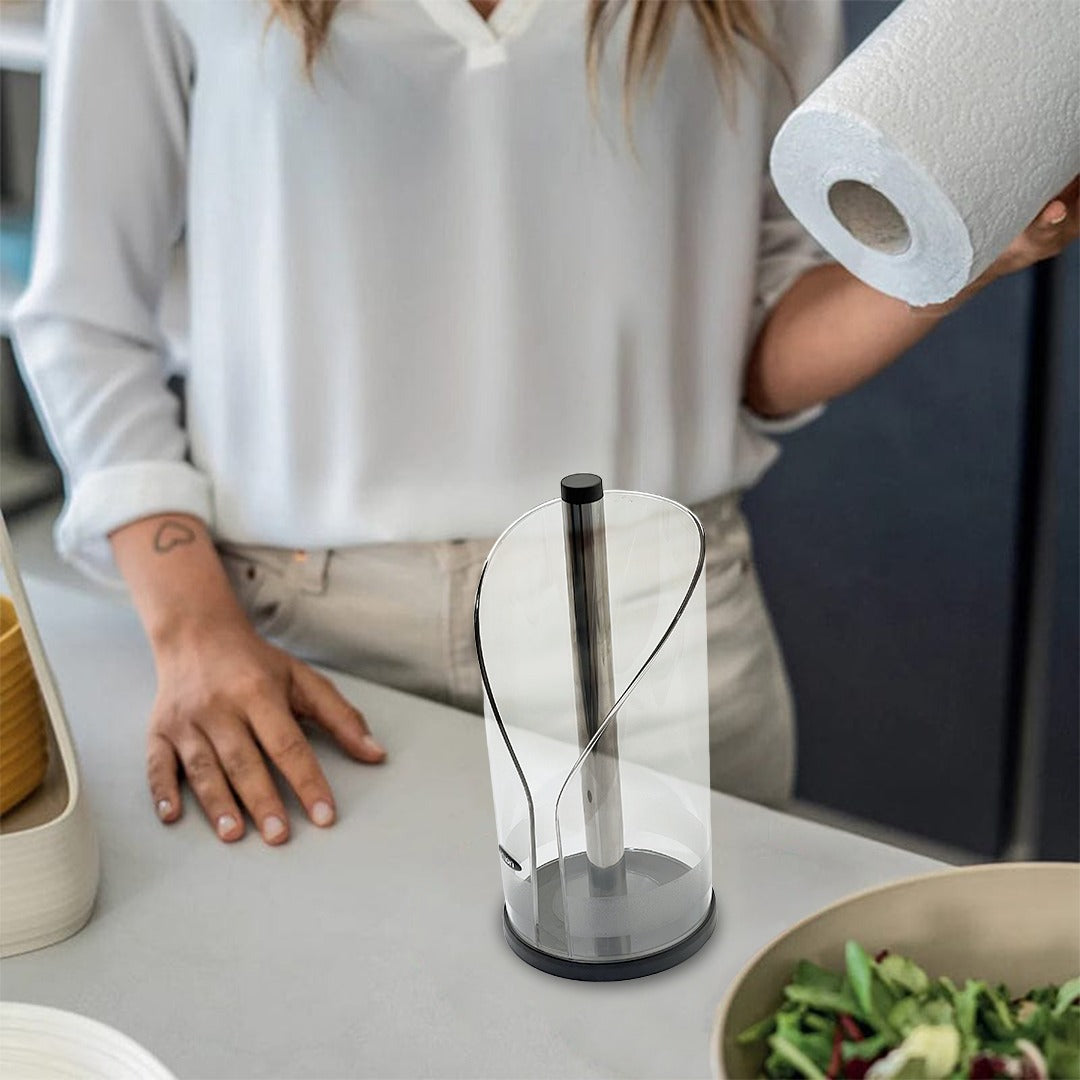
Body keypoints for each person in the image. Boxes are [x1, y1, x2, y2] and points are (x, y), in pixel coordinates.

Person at [14, 0, 1076, 847]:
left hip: (653, 624)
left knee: (671, 1038)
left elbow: (757, 352)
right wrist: (193, 625)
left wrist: (960, 253)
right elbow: (83, 315)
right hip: (300, 635)